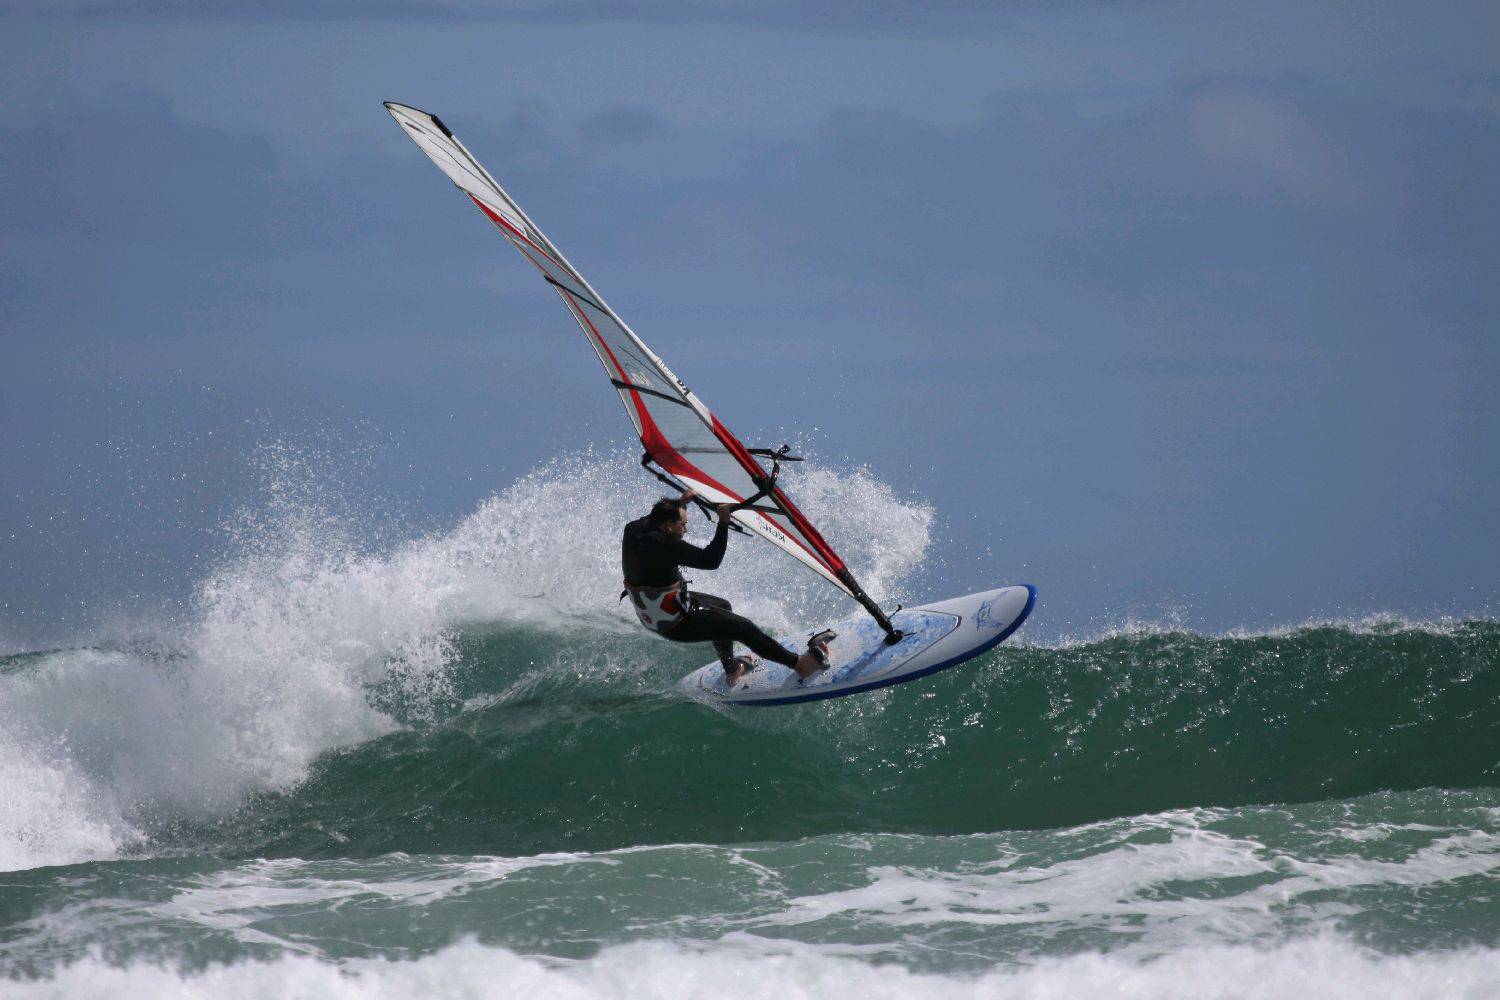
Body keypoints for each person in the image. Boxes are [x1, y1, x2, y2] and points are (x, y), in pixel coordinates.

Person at [622, 490, 833, 685]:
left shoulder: (634, 529)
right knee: (742, 627)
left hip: (654, 614)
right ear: (668, 526)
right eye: (683, 525)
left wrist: (680, 502)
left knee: (723, 606)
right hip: (675, 623)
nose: (685, 529)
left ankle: (731, 668)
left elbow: (654, 516)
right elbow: (711, 560)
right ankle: (801, 665)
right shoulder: (664, 545)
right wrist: (723, 521)